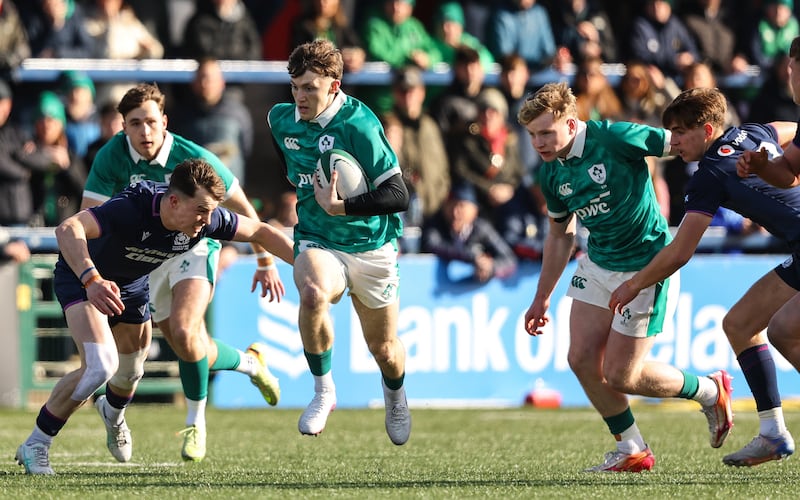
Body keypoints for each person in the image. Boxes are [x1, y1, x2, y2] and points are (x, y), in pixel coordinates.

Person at [14, 158, 295, 475]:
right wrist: (91, 279)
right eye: (201, 210)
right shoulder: (133, 207)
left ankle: (114, 414)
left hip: (131, 288)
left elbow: (260, 231)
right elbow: (69, 228)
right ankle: (36, 444)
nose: (207, 220)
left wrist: (305, 267)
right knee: (100, 366)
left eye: (210, 211)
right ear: (173, 200)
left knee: (131, 372)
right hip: (82, 279)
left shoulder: (205, 217)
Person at [518, 82, 733, 472]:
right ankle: (632, 447)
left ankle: (709, 390)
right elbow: (559, 234)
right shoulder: (550, 173)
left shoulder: (616, 137)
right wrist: (541, 297)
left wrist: (741, 163)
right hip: (599, 263)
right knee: (581, 357)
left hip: (647, 265)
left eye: (546, 132)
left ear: (571, 123)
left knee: (621, 375)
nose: (539, 143)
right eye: (533, 135)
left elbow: (685, 143)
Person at [82, 82, 284, 463]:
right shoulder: (110, 156)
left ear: (165, 122)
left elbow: (243, 209)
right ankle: (250, 362)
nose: (145, 131)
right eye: (135, 123)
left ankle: (196, 424)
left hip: (194, 244)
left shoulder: (193, 156)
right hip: (145, 254)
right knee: (185, 344)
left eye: (151, 122)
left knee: (188, 329)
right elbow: (89, 217)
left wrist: (265, 260)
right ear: (122, 126)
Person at [611, 87, 798, 467]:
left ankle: (773, 432)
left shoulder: (709, 174)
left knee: (769, 328)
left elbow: (681, 251)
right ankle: (773, 433)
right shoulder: (750, 134)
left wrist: (633, 284)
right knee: (743, 324)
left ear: (707, 129)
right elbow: (792, 128)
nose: (673, 140)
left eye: (680, 131)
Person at [266, 39, 411, 444]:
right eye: (295, 86)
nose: (300, 96)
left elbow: (399, 195)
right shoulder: (280, 119)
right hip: (318, 240)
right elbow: (291, 167)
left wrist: (341, 207)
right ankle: (323, 390)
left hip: (371, 247)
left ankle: (395, 395)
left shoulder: (360, 124)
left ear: (334, 85)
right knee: (311, 292)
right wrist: (315, 205)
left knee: (383, 348)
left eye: (310, 87)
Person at [170, 58, 253, 186]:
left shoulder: (237, 114)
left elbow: (246, 149)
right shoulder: (179, 116)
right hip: (192, 194)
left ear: (222, 82)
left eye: (210, 79)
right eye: (201, 78)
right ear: (193, 83)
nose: (205, 84)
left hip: (229, 194)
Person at [421, 182, 517, 283]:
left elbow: (509, 259)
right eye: (451, 205)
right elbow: (432, 244)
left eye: (461, 206)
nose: (455, 212)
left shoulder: (481, 229)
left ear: (474, 210)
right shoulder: (436, 224)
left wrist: (490, 267)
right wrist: (473, 257)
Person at [180, 0, 261, 61]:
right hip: (212, 77)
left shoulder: (245, 20)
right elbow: (206, 53)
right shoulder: (200, 20)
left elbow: (255, 50)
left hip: (241, 79)